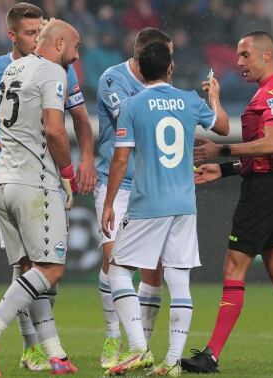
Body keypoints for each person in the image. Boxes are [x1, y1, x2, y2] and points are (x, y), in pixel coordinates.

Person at [0, 2, 95, 371]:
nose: (76, 60)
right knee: (50, 270)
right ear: (58, 45)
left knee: (31, 268)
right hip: (36, 181)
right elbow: (56, 129)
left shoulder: (12, 69)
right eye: (74, 51)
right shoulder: (51, 73)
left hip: (4, 182)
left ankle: (53, 354)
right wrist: (67, 172)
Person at [181, 30, 273, 374]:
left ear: (266, 55)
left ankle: (211, 355)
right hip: (271, 186)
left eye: (245, 55)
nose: (239, 62)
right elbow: (268, 154)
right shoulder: (271, 92)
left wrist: (223, 150)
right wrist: (226, 170)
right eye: (238, 55)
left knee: (233, 268)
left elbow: (272, 143)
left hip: (264, 192)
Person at [101, 40, 229, 376]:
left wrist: (110, 203)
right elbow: (224, 127)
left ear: (141, 70)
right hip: (185, 204)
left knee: (117, 269)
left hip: (148, 203)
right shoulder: (189, 101)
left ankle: (139, 348)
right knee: (179, 279)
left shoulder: (133, 104)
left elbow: (121, 158)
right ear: (170, 68)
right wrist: (213, 96)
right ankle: (172, 361)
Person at [95, 27, 173, 369]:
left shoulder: (163, 87)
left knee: (153, 272)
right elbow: (136, 128)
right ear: (145, 53)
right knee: (115, 264)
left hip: (151, 188)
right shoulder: (113, 80)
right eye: (165, 55)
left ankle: (138, 347)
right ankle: (116, 337)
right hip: (117, 184)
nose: (171, 63)